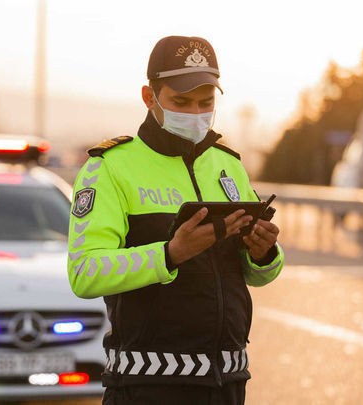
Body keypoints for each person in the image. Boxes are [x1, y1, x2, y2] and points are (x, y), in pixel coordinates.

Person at [67, 35, 284, 405]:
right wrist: (168, 254)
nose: (196, 113)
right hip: (147, 385)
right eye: (181, 102)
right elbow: (85, 272)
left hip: (228, 381)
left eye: (206, 102)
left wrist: (263, 253)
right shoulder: (109, 167)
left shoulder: (228, 165)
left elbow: (255, 274)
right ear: (149, 98)